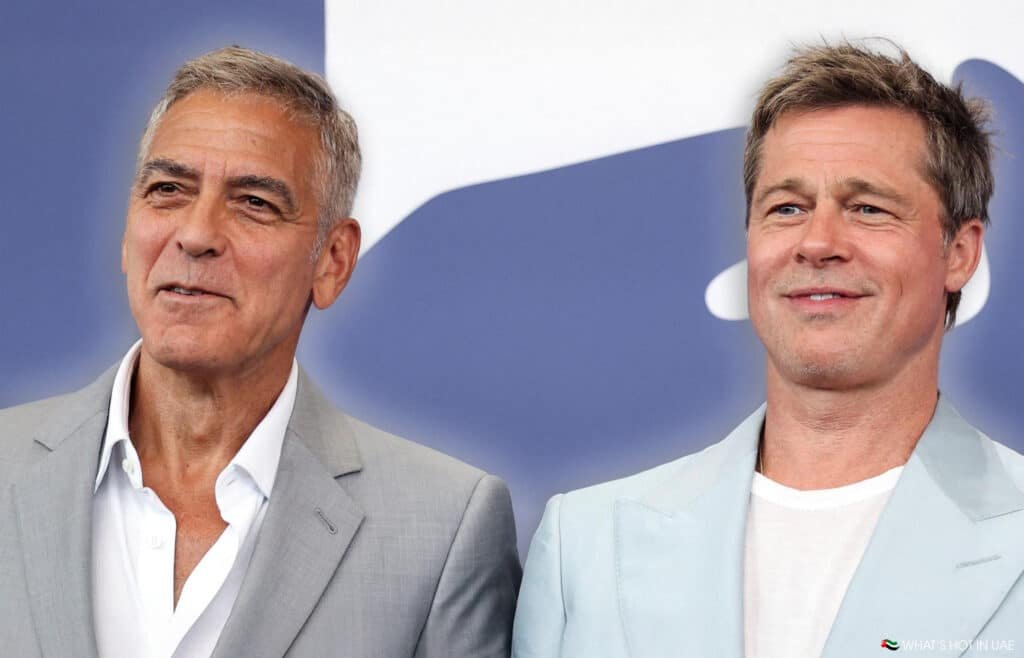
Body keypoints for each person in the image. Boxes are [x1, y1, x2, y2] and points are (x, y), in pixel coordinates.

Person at [0, 46, 520, 658]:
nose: (195, 235)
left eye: (254, 203)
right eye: (167, 189)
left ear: (333, 261)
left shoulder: (443, 530)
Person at [512, 41, 1024, 658]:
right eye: (787, 208)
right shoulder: (583, 543)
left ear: (960, 254)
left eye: (868, 208)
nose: (817, 243)